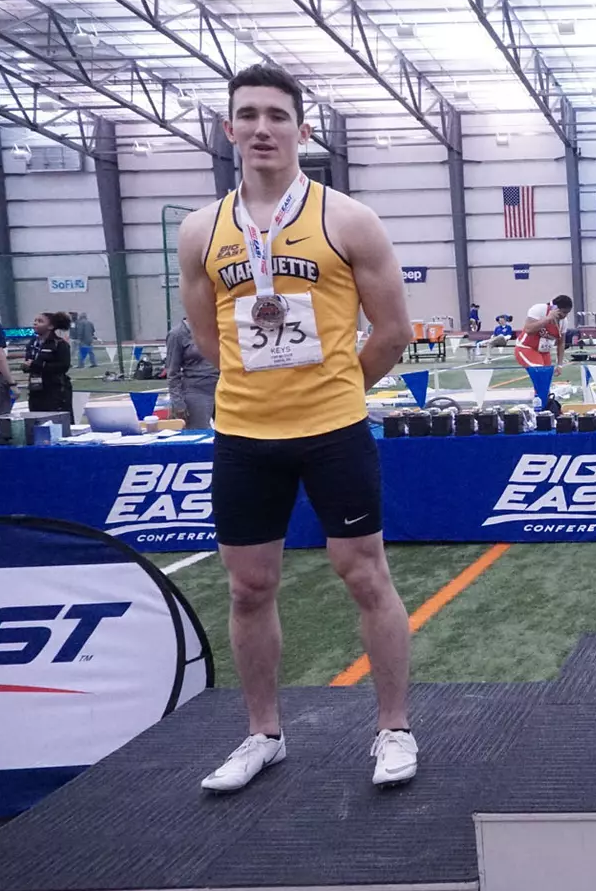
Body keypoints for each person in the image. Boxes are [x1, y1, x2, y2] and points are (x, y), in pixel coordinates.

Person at [177, 63, 418, 793]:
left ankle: (395, 729)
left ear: (300, 130)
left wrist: (333, 388)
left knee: (364, 574)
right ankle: (262, 734)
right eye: (246, 115)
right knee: (249, 587)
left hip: (334, 429)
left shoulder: (349, 220)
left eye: (276, 116)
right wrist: (264, 389)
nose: (260, 128)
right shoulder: (200, 232)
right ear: (228, 131)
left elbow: (394, 332)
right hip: (245, 436)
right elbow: (211, 341)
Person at [164, 316, 219, 429]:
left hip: (223, 390)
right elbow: (172, 373)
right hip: (196, 393)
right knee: (199, 435)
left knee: (231, 436)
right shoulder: (177, 334)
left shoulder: (218, 328)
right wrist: (178, 403)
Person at [22, 311, 73, 415]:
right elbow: (29, 361)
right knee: (36, 418)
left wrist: (37, 365)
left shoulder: (59, 344)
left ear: (50, 326)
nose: (35, 323)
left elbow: (64, 366)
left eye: (40, 321)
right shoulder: (32, 343)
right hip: (36, 389)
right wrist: (26, 366)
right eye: (35, 321)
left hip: (56, 390)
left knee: (57, 420)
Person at [521, 295, 572, 366]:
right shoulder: (539, 309)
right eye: (563, 312)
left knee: (547, 375)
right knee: (540, 372)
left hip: (544, 352)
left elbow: (561, 343)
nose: (564, 316)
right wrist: (547, 318)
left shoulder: (563, 321)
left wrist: (560, 364)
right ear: (555, 308)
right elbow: (528, 330)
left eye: (567, 313)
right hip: (527, 348)